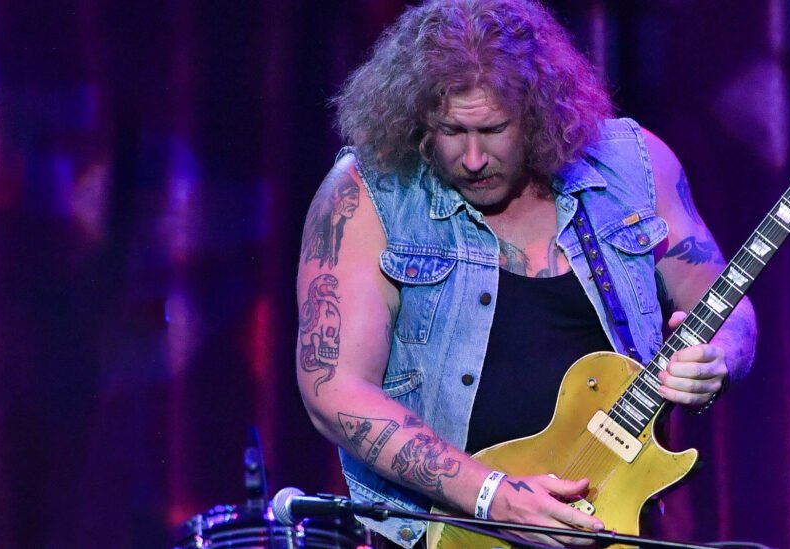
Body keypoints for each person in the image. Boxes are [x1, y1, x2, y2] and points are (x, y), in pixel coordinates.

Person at [295, 0, 757, 547]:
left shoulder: (634, 165)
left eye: (493, 129)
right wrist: (493, 497)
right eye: (451, 130)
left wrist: (719, 359)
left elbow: (723, 301)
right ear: (417, 118)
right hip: (445, 536)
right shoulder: (369, 195)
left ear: (540, 114)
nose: (472, 158)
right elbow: (333, 387)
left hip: (613, 525)